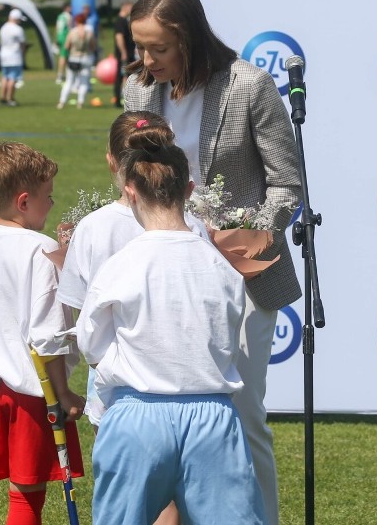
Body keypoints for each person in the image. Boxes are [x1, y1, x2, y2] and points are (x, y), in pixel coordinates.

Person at [122, 0, 302, 525]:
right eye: (141, 46)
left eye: (159, 49)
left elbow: (286, 185)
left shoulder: (248, 85)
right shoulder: (138, 90)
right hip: (163, 270)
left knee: (243, 412)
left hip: (242, 273)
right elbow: (129, 178)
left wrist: (252, 237)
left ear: (190, 41)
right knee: (165, 411)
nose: (147, 61)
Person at [76, 137, 266, 525]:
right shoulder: (221, 268)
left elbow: (90, 343)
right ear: (190, 190)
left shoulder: (119, 265)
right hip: (212, 417)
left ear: (130, 193)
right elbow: (225, 335)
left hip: (136, 415)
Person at [58, 111, 209, 525]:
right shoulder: (191, 224)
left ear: (112, 161)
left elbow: (76, 309)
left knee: (123, 495)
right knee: (170, 497)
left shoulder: (92, 227)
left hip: (114, 384)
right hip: (182, 379)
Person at [0, 141, 86, 525]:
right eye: (48, 196)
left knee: (23, 492)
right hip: (32, 391)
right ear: (24, 201)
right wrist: (64, 394)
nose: (53, 204)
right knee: (27, 497)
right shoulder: (40, 250)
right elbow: (48, 335)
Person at [56, 13, 96, 110]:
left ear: (76, 21)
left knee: (69, 81)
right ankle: (80, 102)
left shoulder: (72, 32)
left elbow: (66, 46)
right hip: (86, 58)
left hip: (73, 58)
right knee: (84, 82)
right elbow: (93, 47)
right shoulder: (89, 32)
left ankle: (62, 102)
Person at [0, 8, 27, 106]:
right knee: (12, 78)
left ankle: (2, 96)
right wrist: (23, 54)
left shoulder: (3, 27)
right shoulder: (18, 29)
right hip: (14, 56)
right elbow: (22, 44)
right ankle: (10, 98)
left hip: (4, 55)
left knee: (4, 77)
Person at [113, 1, 134, 107]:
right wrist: (123, 52)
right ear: (125, 7)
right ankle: (118, 100)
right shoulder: (120, 21)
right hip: (124, 54)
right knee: (121, 76)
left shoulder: (125, 20)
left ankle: (128, 99)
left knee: (129, 76)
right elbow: (119, 37)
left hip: (128, 53)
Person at [54, 2, 72, 84]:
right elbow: (69, 27)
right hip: (65, 37)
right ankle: (60, 75)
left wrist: (57, 39)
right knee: (63, 57)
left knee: (65, 56)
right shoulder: (68, 16)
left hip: (60, 37)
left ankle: (66, 74)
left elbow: (57, 28)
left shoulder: (59, 16)